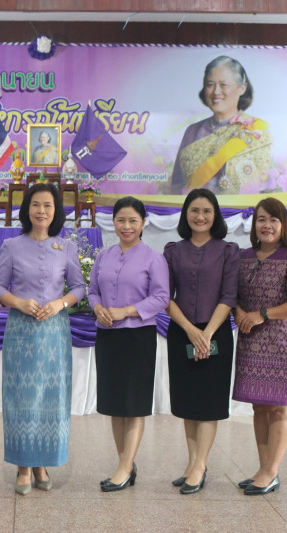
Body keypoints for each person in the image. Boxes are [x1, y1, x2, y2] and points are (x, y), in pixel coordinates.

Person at [0, 182, 86, 495]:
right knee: (22, 398)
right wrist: (18, 302)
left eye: (48, 205)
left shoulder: (66, 247)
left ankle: (42, 463)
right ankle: (22, 466)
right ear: (27, 209)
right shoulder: (11, 246)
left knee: (50, 398)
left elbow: (79, 288)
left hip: (54, 333)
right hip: (21, 331)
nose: (41, 210)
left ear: (56, 211)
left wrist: (60, 303)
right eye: (36, 204)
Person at [232, 197, 287, 495]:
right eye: (261, 219)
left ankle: (271, 471)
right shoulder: (242, 257)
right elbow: (231, 296)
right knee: (259, 405)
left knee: (278, 407)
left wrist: (262, 314)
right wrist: (240, 313)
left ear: (283, 225)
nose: (267, 225)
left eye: (273, 220)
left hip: (282, 341)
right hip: (251, 339)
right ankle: (263, 468)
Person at [89, 197, 170, 492]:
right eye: (121, 220)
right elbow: (92, 290)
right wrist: (98, 308)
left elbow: (161, 297)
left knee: (133, 404)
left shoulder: (153, 258)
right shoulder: (104, 255)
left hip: (138, 337)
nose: (127, 226)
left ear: (143, 223)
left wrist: (127, 311)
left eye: (133, 221)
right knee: (115, 404)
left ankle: (124, 468)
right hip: (108, 336)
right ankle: (126, 462)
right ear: (113, 222)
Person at [164, 189, 239, 495]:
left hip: (215, 332)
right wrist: (190, 331)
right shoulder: (173, 250)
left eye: (207, 211)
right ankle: (192, 462)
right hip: (181, 332)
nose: (200, 216)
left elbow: (229, 296)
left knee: (208, 403)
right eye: (194, 210)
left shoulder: (228, 250)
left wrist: (206, 333)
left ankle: (200, 466)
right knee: (188, 402)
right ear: (186, 214)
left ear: (215, 215)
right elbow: (165, 296)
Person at [170, 55, 272, 195]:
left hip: (244, 209)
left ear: (242, 88)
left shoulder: (257, 130)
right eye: (210, 85)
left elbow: (268, 186)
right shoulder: (193, 131)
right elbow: (176, 187)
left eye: (223, 84)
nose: (216, 92)